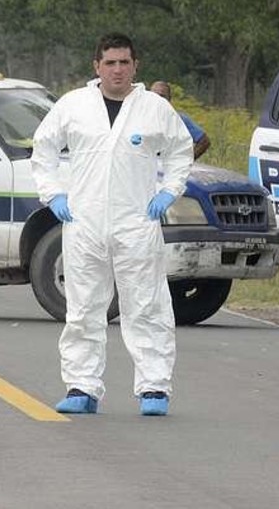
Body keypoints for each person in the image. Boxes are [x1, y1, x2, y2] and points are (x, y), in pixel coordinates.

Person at [31, 33, 193, 417]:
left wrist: (169, 191)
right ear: (96, 66)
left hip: (137, 220)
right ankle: (81, 387)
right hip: (84, 221)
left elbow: (180, 152)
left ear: (135, 66)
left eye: (124, 62)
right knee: (84, 306)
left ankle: (154, 387)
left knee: (147, 304)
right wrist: (53, 194)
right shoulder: (73, 105)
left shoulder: (153, 108)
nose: (117, 69)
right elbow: (44, 149)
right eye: (110, 63)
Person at [149, 81, 211, 160]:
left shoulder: (179, 119)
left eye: (162, 96)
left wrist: (187, 161)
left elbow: (204, 141)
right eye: (154, 95)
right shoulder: (139, 117)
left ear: (169, 99)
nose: (158, 99)